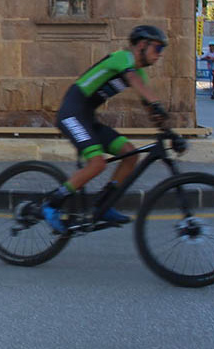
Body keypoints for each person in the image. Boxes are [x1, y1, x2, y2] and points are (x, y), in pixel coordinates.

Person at [41, 25, 170, 232]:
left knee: (129, 154)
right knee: (98, 163)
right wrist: (156, 103)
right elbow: (133, 80)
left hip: (87, 118)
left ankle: (104, 204)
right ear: (142, 45)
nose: (160, 55)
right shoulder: (123, 58)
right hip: (71, 114)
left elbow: (150, 108)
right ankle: (51, 204)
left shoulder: (139, 74)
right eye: (158, 48)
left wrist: (168, 130)